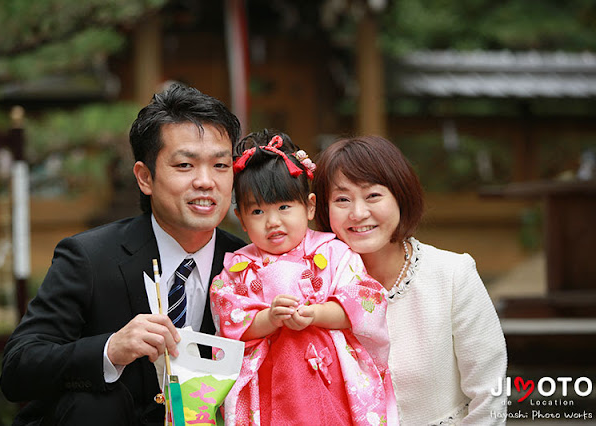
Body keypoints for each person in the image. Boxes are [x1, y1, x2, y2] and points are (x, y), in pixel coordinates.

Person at [0, 83, 247, 426]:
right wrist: (110, 350)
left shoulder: (252, 264)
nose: (206, 181)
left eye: (221, 165)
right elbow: (18, 368)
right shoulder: (88, 258)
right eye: (185, 165)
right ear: (145, 177)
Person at [313, 135, 508, 425]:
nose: (358, 213)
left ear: (401, 196)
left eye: (373, 196)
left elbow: (490, 392)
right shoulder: (312, 285)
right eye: (342, 199)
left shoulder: (452, 274)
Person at [210, 130, 398, 426]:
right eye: (257, 211)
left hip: (331, 377)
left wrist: (317, 314)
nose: (273, 221)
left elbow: (364, 303)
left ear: (309, 206)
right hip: (269, 380)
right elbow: (230, 323)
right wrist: (270, 319)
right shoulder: (237, 268)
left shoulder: (336, 252)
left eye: (284, 207)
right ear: (241, 219)